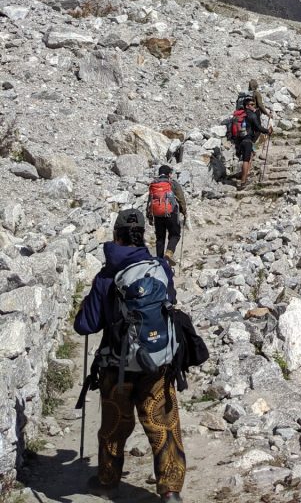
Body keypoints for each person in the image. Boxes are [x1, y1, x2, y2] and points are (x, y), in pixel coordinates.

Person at [74, 208, 185, 502]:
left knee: (114, 426)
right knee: (163, 423)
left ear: (116, 236)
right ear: (142, 237)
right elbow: (170, 303)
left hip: (116, 366)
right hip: (157, 363)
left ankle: (107, 481)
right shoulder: (160, 267)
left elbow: (85, 325)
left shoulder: (106, 277)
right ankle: (171, 490)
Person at [146, 164, 188, 266]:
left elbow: (150, 201)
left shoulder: (154, 184)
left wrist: (149, 216)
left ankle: (160, 262)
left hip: (157, 214)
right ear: (169, 174)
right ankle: (169, 252)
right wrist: (184, 211)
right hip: (171, 213)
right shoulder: (172, 183)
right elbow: (181, 198)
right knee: (175, 234)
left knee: (160, 238)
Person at [235, 95, 270, 189]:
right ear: (247, 106)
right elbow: (258, 127)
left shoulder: (242, 116)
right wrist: (267, 131)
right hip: (248, 140)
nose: (253, 106)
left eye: (253, 104)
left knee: (249, 157)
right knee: (246, 160)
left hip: (240, 140)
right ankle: (243, 182)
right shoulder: (252, 115)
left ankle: (246, 176)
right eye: (251, 104)